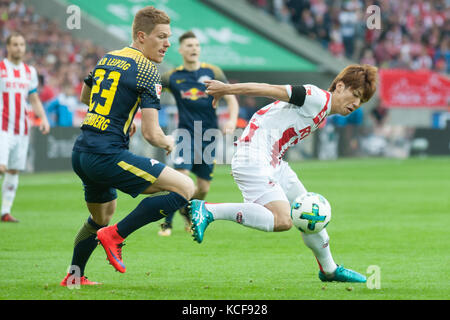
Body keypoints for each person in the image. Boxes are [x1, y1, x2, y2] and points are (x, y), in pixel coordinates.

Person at [190, 64, 378, 283]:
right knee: (282, 220)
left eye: (361, 101)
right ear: (340, 86)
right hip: (255, 157)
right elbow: (268, 89)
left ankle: (329, 270)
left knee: (312, 213)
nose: (356, 104)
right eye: (355, 95)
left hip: (271, 162)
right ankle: (207, 210)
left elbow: (266, 117)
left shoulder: (323, 110)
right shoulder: (315, 97)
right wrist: (227, 89)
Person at [60, 6, 195, 287]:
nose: (167, 43)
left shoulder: (109, 57)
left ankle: (73, 277)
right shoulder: (147, 69)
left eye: (169, 37)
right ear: (141, 36)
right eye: (161, 37)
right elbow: (152, 134)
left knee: (100, 216)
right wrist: (168, 141)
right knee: (185, 188)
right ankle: (116, 235)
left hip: (82, 152)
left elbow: (87, 94)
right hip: (106, 154)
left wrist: (117, 116)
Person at [157, 31, 239, 236]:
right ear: (181, 50)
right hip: (185, 134)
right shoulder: (172, 77)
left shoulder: (213, 72)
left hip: (209, 135)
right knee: (182, 179)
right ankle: (166, 223)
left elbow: (231, 98)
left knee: (202, 188)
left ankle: (186, 211)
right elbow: (152, 93)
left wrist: (231, 119)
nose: (194, 48)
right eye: (189, 45)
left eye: (196, 45)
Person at [0, 32, 50, 223]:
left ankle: (5, 211)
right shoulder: (1, 68)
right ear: (8, 47)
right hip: (2, 128)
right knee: (1, 167)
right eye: (15, 44)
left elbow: (33, 98)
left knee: (13, 170)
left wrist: (43, 118)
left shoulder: (29, 72)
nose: (19, 48)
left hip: (21, 129)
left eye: (22, 44)